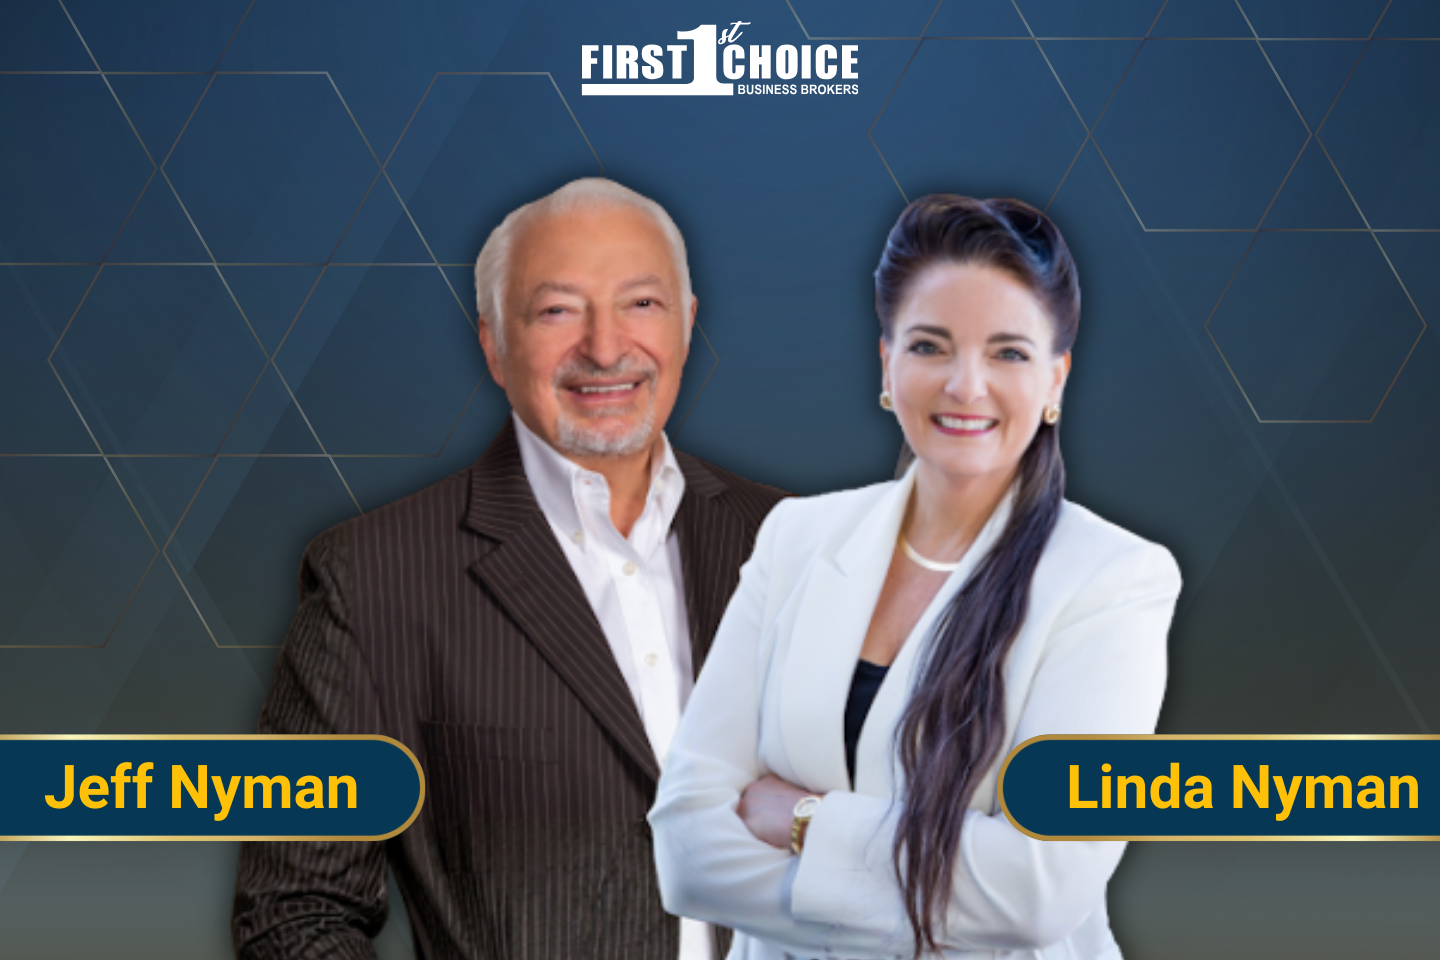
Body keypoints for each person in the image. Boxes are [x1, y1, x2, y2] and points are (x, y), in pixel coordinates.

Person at [232, 178, 786, 960]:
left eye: (642, 304)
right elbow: (294, 915)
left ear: (688, 325)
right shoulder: (377, 578)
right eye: (558, 310)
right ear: (493, 343)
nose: (604, 347)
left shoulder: (796, 543)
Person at [649, 195, 1182, 960]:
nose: (966, 386)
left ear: (1057, 380)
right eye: (931, 346)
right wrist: (934, 887)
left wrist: (805, 823)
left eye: (1008, 352)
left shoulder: (1113, 580)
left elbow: (1039, 887)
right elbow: (687, 849)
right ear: (887, 365)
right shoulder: (797, 537)